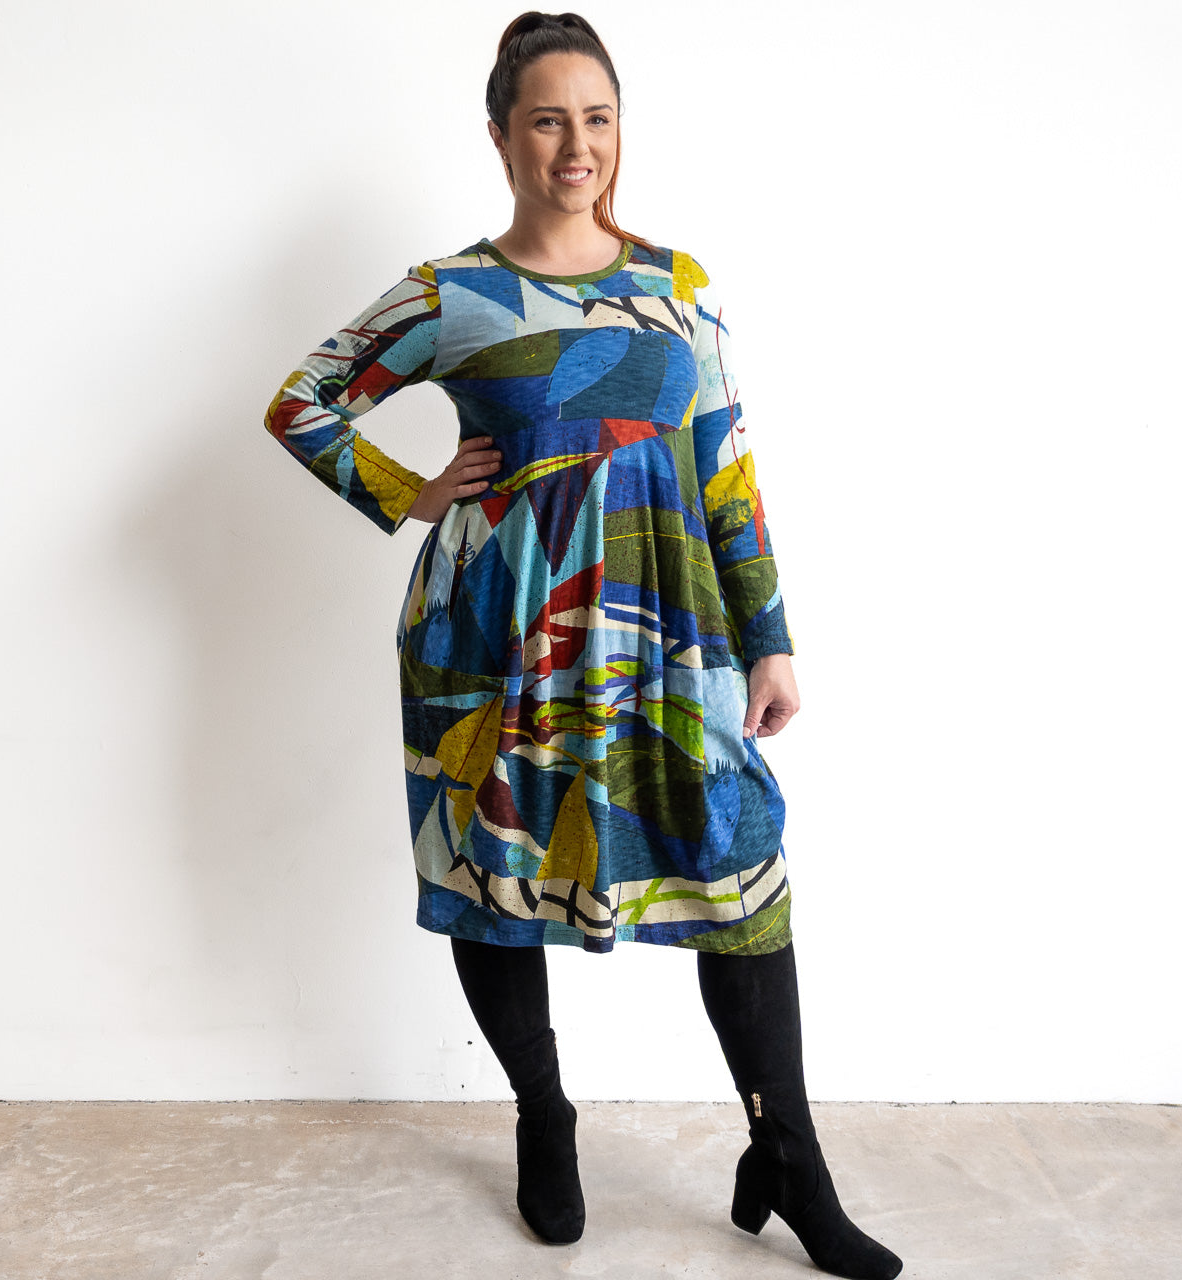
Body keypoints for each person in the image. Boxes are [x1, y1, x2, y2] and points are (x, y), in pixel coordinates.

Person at [264, 12, 902, 1278]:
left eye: (596, 118)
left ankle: (787, 1156)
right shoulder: (449, 294)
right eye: (547, 119)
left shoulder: (676, 284)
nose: (575, 145)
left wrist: (767, 640)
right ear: (500, 134)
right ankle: (541, 1117)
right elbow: (302, 401)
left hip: (668, 637)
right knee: (497, 873)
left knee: (739, 872)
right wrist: (408, 490)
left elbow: (725, 470)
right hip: (492, 639)